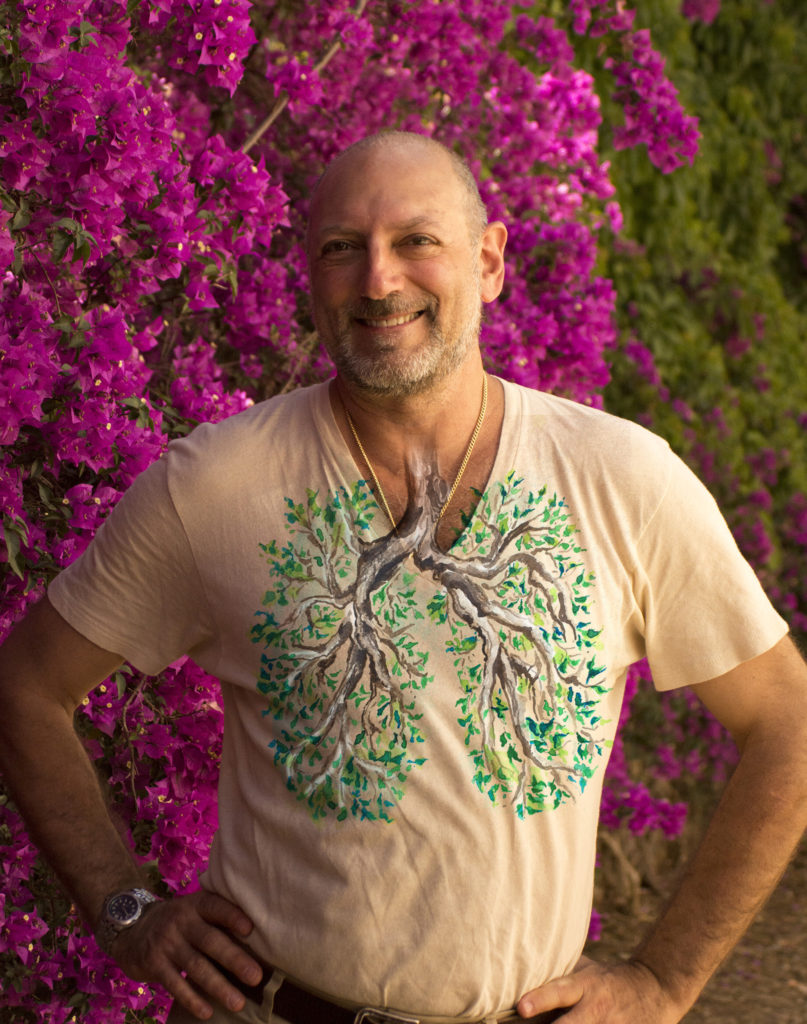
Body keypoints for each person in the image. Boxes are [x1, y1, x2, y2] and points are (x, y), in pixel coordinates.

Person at [1, 130, 806, 1024]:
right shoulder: (214, 486)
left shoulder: (623, 480)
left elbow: (788, 721)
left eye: (416, 240)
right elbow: (26, 686)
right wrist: (125, 909)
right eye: (342, 248)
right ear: (310, 279)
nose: (379, 281)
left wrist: (664, 982)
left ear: (490, 260)